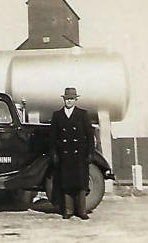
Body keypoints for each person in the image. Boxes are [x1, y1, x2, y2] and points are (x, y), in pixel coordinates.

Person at [49, 87, 94, 220]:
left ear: (75, 100)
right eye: (67, 99)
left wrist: (90, 153)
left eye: (71, 99)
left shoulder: (82, 114)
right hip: (64, 156)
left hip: (79, 156)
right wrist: (54, 154)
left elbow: (90, 136)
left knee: (81, 184)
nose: (69, 101)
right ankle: (68, 210)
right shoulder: (57, 115)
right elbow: (52, 138)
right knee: (66, 183)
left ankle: (81, 211)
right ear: (63, 99)